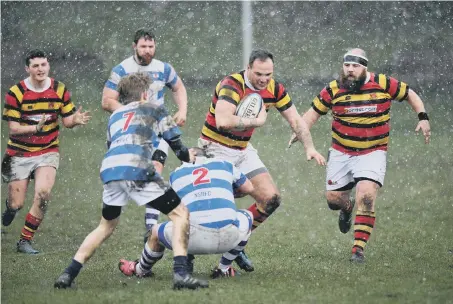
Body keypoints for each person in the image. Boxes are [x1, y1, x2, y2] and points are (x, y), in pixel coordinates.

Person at [54, 72, 208, 290]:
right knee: (180, 214)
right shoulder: (154, 108)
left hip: (110, 169)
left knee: (106, 225)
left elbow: (113, 145)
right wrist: (188, 156)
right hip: (136, 168)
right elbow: (177, 145)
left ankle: (68, 274)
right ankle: (181, 274)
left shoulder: (114, 116)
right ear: (145, 94)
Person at [288, 48, 431, 263]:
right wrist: (300, 132)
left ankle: (358, 250)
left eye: (355, 66)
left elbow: (410, 94)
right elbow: (313, 114)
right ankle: (346, 208)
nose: (350, 70)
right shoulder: (334, 89)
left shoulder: (383, 83)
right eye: (347, 66)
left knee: (366, 195)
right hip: (341, 152)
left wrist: (423, 117)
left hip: (372, 151)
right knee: (333, 199)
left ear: (365, 68)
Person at [198, 49, 326, 271]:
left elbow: (296, 120)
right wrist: (256, 121)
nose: (264, 79)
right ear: (248, 68)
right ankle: (165, 249)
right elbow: (222, 121)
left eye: (268, 74)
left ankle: (236, 243)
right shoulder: (232, 85)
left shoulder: (274, 88)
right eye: (259, 74)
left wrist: (310, 147)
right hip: (213, 151)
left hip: (242, 150)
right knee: (206, 211)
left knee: (270, 199)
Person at [1, 49, 91, 254]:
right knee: (17, 203)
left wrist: (74, 120)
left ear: (48, 66)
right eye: (35, 66)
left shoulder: (59, 89)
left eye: (43, 65)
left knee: (43, 194)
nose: (40, 69)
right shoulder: (16, 93)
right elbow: (14, 129)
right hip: (20, 152)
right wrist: (35, 128)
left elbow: (67, 120)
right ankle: (10, 207)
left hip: (47, 150)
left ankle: (24, 241)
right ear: (27, 69)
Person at [102, 29, 189, 236]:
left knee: (156, 170)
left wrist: (182, 109)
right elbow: (107, 100)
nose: (148, 51)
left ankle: (150, 229)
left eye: (151, 47)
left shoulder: (164, 68)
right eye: (143, 46)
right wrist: (134, 114)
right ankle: (114, 213)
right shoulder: (122, 69)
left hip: (156, 130)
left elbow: (178, 88)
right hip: (131, 132)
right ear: (134, 46)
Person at [118, 148, 255, 279]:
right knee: (247, 216)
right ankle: (223, 268)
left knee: (156, 231)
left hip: (191, 241)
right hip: (229, 237)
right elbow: (249, 188)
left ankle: (140, 270)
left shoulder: (176, 174)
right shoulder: (225, 164)